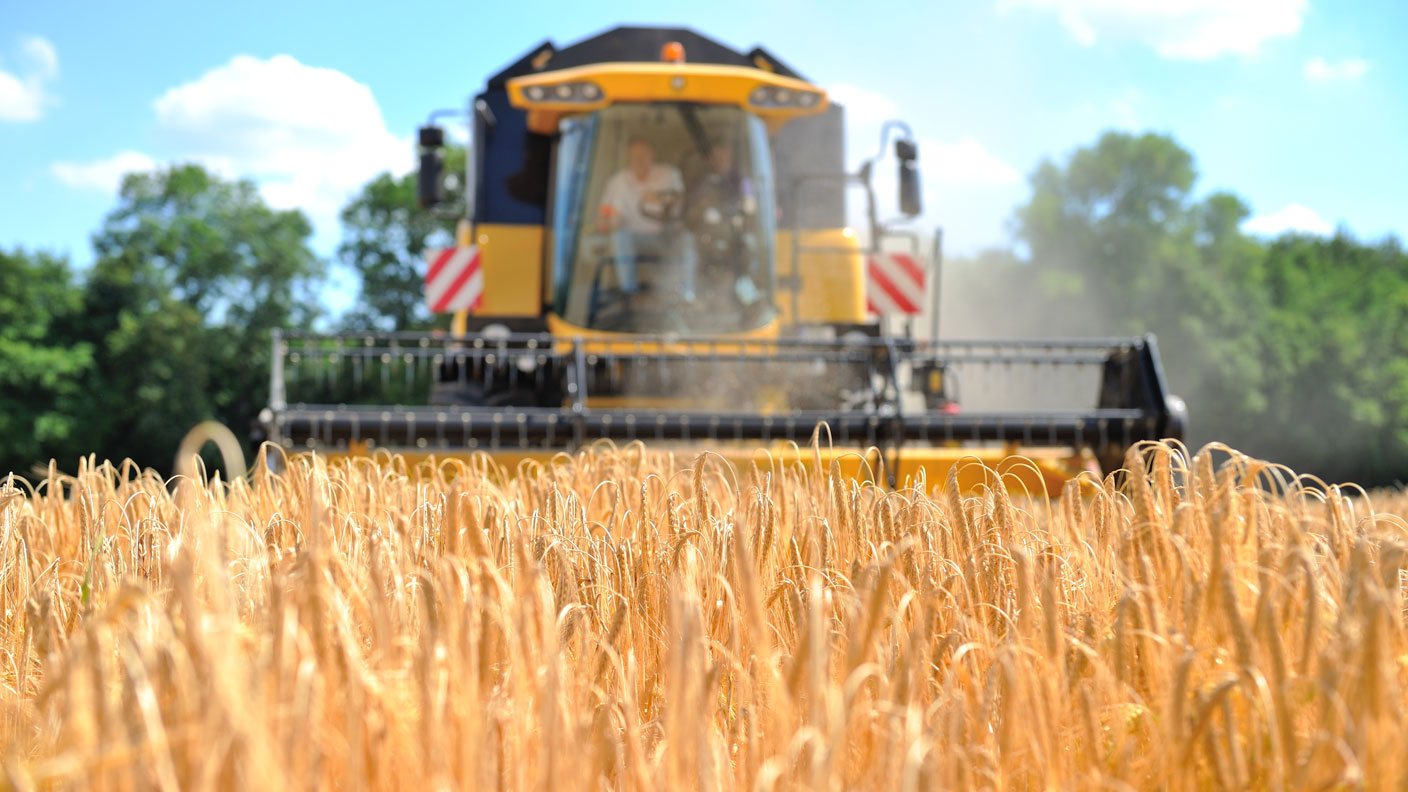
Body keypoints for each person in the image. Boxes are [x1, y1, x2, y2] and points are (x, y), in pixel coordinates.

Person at [597, 137, 696, 300]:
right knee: (619, 236)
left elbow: (683, 203)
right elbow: (603, 215)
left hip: (664, 235)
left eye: (643, 155)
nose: (639, 160)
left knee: (687, 239)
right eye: (634, 157)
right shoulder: (617, 182)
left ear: (652, 155)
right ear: (628, 158)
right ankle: (628, 293)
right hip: (631, 237)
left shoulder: (669, 174)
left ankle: (686, 295)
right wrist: (609, 223)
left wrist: (660, 200)